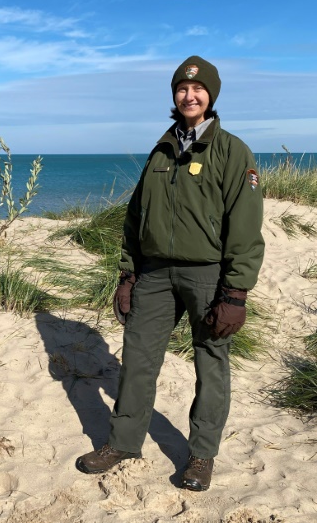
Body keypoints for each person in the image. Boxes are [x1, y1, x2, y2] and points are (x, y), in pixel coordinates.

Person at [76, 55, 265, 491]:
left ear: (211, 96)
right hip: (156, 274)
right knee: (138, 362)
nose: (190, 95)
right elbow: (135, 216)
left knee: (210, 365)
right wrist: (128, 275)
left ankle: (201, 456)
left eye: (198, 90)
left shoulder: (233, 150)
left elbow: (246, 226)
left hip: (208, 275)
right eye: (182, 88)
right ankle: (122, 442)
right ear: (174, 96)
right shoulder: (161, 149)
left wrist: (235, 293)